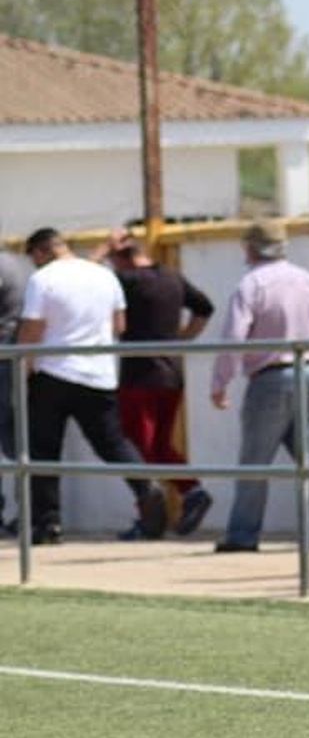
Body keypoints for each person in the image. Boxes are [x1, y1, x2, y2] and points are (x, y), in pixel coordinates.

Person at [18, 228, 166, 546]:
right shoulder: (105, 276)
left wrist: (23, 368)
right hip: (99, 374)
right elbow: (119, 325)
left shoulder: (42, 279)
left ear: (41, 251)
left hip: (53, 373)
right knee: (112, 443)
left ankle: (48, 524)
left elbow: (31, 330)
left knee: (44, 451)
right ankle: (146, 487)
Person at [210, 219, 309, 553]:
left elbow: (234, 337)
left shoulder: (251, 284)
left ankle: (243, 535)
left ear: (251, 248)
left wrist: (221, 381)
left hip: (270, 378)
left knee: (255, 461)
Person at [93, 229, 216, 539]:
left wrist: (102, 250)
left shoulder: (127, 281)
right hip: (171, 374)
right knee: (159, 446)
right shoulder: (172, 277)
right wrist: (182, 340)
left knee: (136, 447)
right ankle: (191, 493)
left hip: (140, 377)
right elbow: (204, 308)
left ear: (121, 258)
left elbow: (84, 277)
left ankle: (151, 515)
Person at [0, 246, 29, 533]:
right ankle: (30, 511)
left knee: (13, 441)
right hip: (8, 359)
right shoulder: (12, 262)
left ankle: (29, 511)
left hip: (3, 358)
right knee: (14, 439)